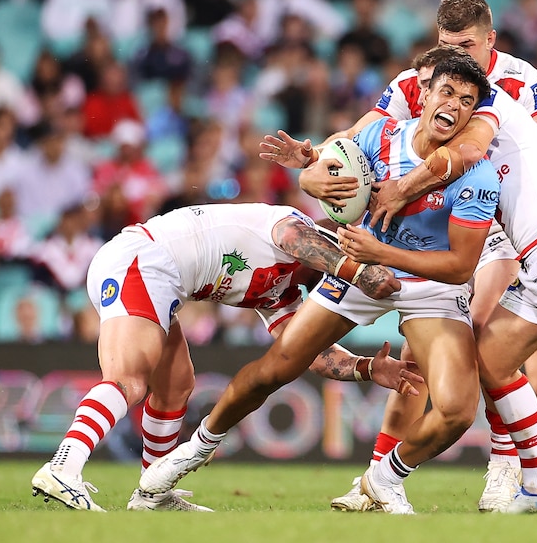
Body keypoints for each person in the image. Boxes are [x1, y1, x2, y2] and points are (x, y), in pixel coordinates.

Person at [138, 54, 500, 515]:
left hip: (427, 281)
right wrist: (314, 180)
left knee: (456, 411)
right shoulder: (378, 136)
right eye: (447, 92)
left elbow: (460, 267)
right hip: (358, 270)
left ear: (472, 115)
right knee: (277, 367)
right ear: (424, 95)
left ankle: (384, 477)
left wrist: (381, 256)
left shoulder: (478, 173)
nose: (454, 105)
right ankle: (197, 448)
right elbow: (319, 170)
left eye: (467, 101)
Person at [287, 0, 537, 513]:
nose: (454, 57)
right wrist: (315, 161)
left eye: (465, 46)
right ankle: (375, 479)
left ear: (490, 41)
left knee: (485, 337)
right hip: (437, 227)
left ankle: (509, 466)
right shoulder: (418, 79)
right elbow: (351, 140)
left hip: (496, 226)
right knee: (413, 362)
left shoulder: (519, 79)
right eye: (445, 46)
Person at [30, 203, 408, 512]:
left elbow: (305, 353)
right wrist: (359, 271)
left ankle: (152, 494)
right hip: (143, 260)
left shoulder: (286, 293)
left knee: (175, 386)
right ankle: (64, 466)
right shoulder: (289, 225)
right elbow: (297, 239)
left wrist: (368, 367)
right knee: (128, 378)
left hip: (163, 282)